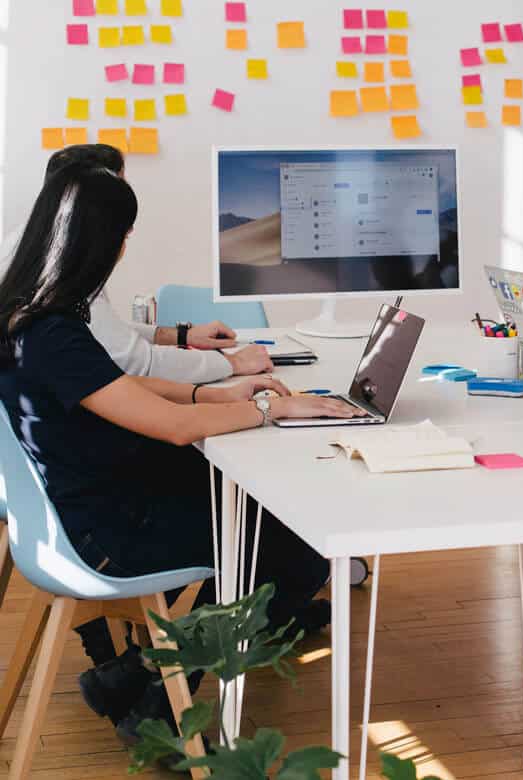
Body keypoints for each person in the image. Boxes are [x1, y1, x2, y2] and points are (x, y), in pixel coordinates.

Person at [0, 163, 365, 744]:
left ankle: (136, 675)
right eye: (122, 235)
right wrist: (276, 410)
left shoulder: (30, 314)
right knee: (296, 551)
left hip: (93, 503)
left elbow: (124, 389)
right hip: (104, 534)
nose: (124, 249)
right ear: (98, 242)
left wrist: (215, 393)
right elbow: (170, 426)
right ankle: (157, 707)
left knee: (253, 516)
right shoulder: (53, 332)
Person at [0, 144, 271, 383]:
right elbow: (137, 364)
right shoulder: (61, 269)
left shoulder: (30, 247)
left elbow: (99, 333)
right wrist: (233, 364)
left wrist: (182, 336)